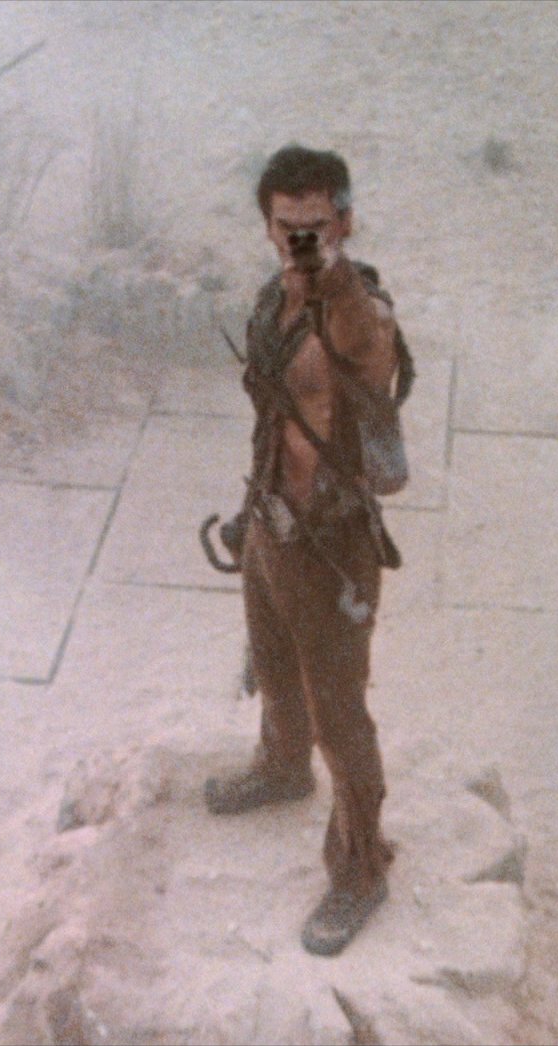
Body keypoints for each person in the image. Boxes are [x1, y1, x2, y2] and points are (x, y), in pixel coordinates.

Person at [203, 145, 414, 957]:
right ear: (266, 225)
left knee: (340, 714)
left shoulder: (355, 311)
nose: (300, 242)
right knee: (273, 664)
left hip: (331, 546)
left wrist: (331, 279)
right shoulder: (274, 301)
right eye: (286, 226)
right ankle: (282, 767)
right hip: (270, 522)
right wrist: (249, 513)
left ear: (345, 224)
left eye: (317, 227)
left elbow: (368, 345)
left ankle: (361, 867)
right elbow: (272, 416)